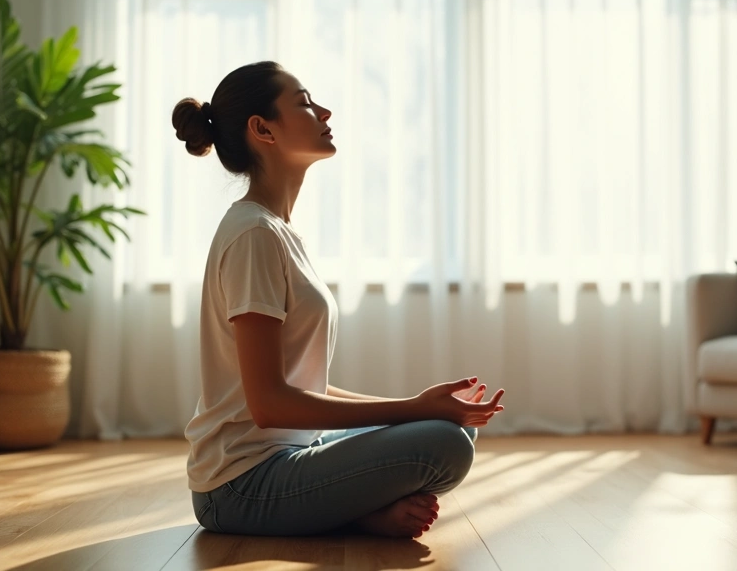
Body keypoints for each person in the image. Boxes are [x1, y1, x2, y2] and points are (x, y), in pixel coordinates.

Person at [173, 61, 505, 539]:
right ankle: (357, 512)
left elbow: (300, 385)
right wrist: (412, 409)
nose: (325, 112)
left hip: (294, 450)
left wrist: (419, 405)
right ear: (263, 129)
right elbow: (269, 405)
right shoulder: (253, 236)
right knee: (443, 444)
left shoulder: (276, 231)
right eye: (305, 103)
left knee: (454, 428)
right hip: (240, 486)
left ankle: (352, 509)